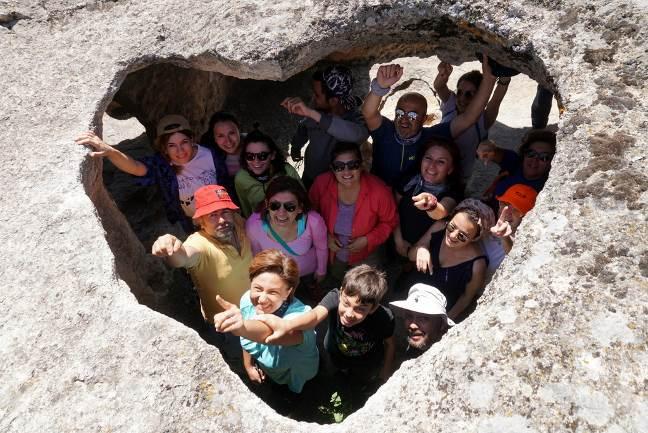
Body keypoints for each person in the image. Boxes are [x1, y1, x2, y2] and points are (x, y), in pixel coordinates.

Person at [361, 54, 497, 187]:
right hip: (378, 200)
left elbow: (469, 118)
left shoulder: (433, 137)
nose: (404, 119)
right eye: (400, 113)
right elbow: (369, 112)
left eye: (413, 115)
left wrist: (489, 79)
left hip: (413, 202)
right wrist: (380, 87)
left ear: (424, 119)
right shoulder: (385, 130)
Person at [76, 115, 225, 232]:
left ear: (192, 140)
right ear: (164, 148)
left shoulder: (211, 154)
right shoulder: (162, 165)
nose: (180, 150)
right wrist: (110, 152)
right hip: (194, 224)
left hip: (223, 216)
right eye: (172, 145)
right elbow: (135, 167)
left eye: (184, 142)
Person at [151, 185, 252, 350]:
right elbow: (182, 257)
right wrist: (171, 248)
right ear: (200, 221)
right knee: (237, 357)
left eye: (225, 212)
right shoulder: (199, 243)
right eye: (213, 215)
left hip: (256, 312)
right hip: (227, 325)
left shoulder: (238, 225)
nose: (222, 220)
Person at [257, 265, 395, 383]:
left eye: (360, 309)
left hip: (365, 361)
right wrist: (287, 325)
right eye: (346, 303)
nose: (349, 313)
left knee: (359, 379)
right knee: (336, 372)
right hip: (335, 352)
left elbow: (390, 343)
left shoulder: (384, 318)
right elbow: (315, 315)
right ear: (341, 293)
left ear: (373, 308)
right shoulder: (335, 297)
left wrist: (386, 369)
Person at [213, 249, 319, 394]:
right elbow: (249, 337)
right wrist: (248, 365)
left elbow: (270, 333)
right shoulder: (247, 300)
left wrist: (242, 327)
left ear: (288, 292)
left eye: (272, 292)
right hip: (273, 371)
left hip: (297, 372)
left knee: (301, 393)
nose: (261, 299)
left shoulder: (299, 317)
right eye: (258, 288)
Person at [309, 142, 398, 285]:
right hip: (333, 251)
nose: (346, 172)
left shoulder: (379, 190)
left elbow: (390, 221)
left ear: (361, 165)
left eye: (353, 165)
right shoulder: (322, 183)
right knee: (336, 281)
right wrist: (325, 236)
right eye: (339, 166)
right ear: (332, 168)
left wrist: (367, 239)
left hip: (367, 252)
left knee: (365, 289)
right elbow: (310, 211)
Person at [404, 198, 495, 321]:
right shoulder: (440, 227)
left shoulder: (477, 265)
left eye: (462, 236)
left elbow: (466, 298)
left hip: (435, 312)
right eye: (452, 227)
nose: (452, 236)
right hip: (411, 294)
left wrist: (445, 320)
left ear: (474, 238)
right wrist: (421, 249)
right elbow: (410, 255)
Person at [283, 65, 369, 189]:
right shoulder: (317, 108)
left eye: (317, 95)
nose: (313, 99)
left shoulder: (356, 117)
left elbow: (358, 135)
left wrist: (312, 114)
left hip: (339, 184)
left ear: (333, 101)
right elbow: (304, 127)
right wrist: (296, 146)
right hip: (311, 176)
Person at [245, 176, 328, 288]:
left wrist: (321, 271)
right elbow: (257, 257)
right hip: (278, 280)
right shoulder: (254, 225)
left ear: (300, 208)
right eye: (275, 205)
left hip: (308, 275)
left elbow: (321, 248)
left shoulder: (313, 221)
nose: (281, 213)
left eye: (290, 207)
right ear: (267, 204)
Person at [433, 62, 511, 178]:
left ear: (480, 95)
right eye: (459, 92)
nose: (461, 98)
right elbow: (439, 86)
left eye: (469, 94)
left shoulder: (483, 119)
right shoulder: (451, 104)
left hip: (459, 176)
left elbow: (495, 100)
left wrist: (504, 78)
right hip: (434, 168)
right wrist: (443, 74)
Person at [393, 138, 463, 258]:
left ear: (450, 169)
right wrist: (398, 241)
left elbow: (442, 211)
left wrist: (431, 205)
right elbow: (392, 211)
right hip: (395, 243)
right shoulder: (408, 180)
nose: (432, 166)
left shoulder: (452, 192)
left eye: (441, 162)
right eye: (428, 158)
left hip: (425, 253)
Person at [234, 129, 302, 217]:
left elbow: (302, 201)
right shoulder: (241, 178)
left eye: (262, 156)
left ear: (273, 155)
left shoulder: (287, 171)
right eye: (250, 156)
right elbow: (246, 209)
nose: (256, 161)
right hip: (259, 225)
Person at [482, 184, 538, 282]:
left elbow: (516, 257)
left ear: (527, 217)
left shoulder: (526, 244)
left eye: (516, 209)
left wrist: (505, 237)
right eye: (505, 203)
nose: (507, 211)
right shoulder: (486, 220)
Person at [390, 283, 454, 357]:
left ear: (442, 323)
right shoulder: (411, 350)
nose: (412, 325)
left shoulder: (450, 356)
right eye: (409, 316)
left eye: (423, 318)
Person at [493, 129, 556, 197]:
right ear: (524, 153)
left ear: (553, 161)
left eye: (544, 157)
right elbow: (492, 152)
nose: (535, 160)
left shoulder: (548, 188)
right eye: (531, 153)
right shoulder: (514, 163)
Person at [200, 111, 244, 202]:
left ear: (239, 131)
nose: (228, 141)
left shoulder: (255, 147)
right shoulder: (212, 159)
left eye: (231, 133)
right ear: (214, 138)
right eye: (221, 136)